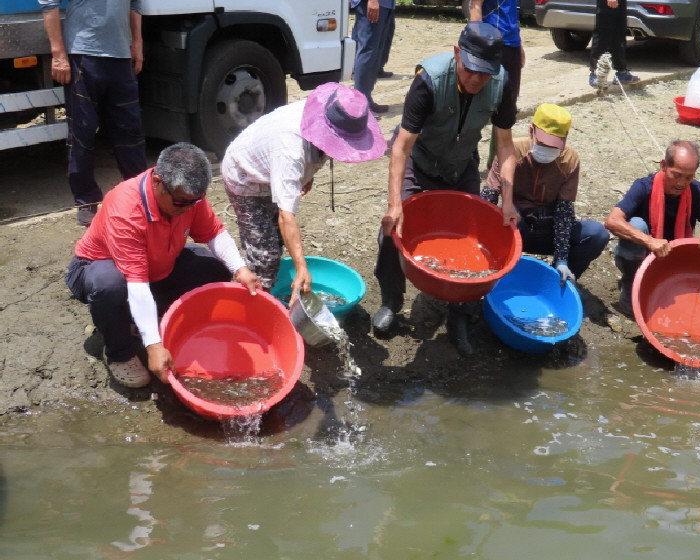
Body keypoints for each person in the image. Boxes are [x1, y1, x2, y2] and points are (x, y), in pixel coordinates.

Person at [372, 21, 517, 356]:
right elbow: (401, 147)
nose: (477, 79)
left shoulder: (501, 83)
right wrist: (395, 204)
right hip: (420, 160)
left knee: (471, 239)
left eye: (485, 73)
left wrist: (507, 201)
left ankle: (460, 316)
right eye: (471, 70)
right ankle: (391, 303)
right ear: (457, 55)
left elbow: (506, 147)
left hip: (461, 163)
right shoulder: (429, 80)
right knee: (393, 231)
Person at [64, 143, 261, 389]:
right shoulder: (126, 210)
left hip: (155, 265)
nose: (189, 208)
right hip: (99, 268)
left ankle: (142, 321)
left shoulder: (189, 197)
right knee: (109, 285)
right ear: (157, 182)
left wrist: (240, 269)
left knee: (215, 269)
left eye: (195, 201)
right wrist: (154, 345)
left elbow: (214, 233)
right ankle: (119, 351)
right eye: (182, 202)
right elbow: (136, 281)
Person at [39, 0, 147, 227]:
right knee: (83, 133)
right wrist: (58, 53)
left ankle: (137, 193)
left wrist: (137, 43)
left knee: (130, 133)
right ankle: (86, 200)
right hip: (84, 57)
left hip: (120, 57)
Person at [222, 83, 386, 296]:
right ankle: (257, 303)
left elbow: (323, 149)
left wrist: (308, 175)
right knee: (264, 253)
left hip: (273, 169)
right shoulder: (290, 149)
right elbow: (286, 217)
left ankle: (267, 284)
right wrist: (301, 268)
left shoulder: (325, 113)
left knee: (277, 241)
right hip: (245, 177)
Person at [481, 104, 609, 284]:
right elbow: (488, 198)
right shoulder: (512, 151)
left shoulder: (569, 160)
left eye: (554, 145)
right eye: (543, 143)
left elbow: (564, 212)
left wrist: (563, 258)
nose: (548, 149)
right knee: (502, 212)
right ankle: (501, 275)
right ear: (531, 131)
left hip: (551, 230)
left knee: (597, 234)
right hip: (518, 228)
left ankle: (561, 281)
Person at [604, 140, 700, 316]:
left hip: (675, 259)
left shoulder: (696, 190)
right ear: (664, 165)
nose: (681, 183)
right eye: (677, 175)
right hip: (639, 256)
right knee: (636, 225)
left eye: (689, 177)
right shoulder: (643, 186)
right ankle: (631, 283)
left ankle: (669, 286)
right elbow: (612, 221)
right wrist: (649, 241)